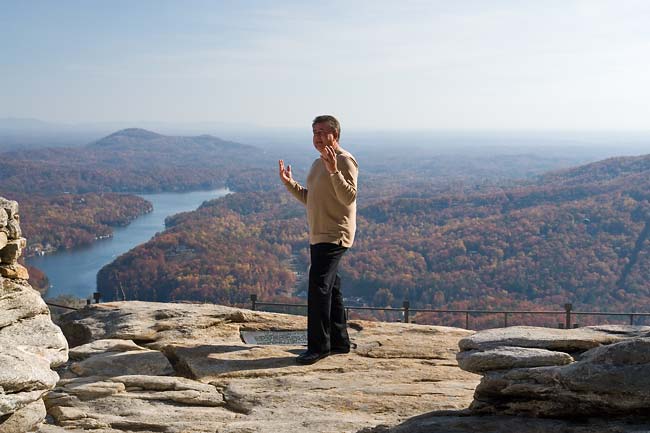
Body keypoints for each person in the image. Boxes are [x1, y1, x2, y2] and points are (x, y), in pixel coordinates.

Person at [279, 115, 359, 365]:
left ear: (335, 135)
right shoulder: (317, 164)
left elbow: (349, 197)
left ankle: (318, 347)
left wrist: (334, 170)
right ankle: (338, 342)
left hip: (335, 234)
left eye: (324, 132)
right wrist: (289, 183)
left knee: (317, 289)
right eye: (315, 132)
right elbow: (310, 198)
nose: (318, 137)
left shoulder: (344, 161)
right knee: (331, 288)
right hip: (319, 234)